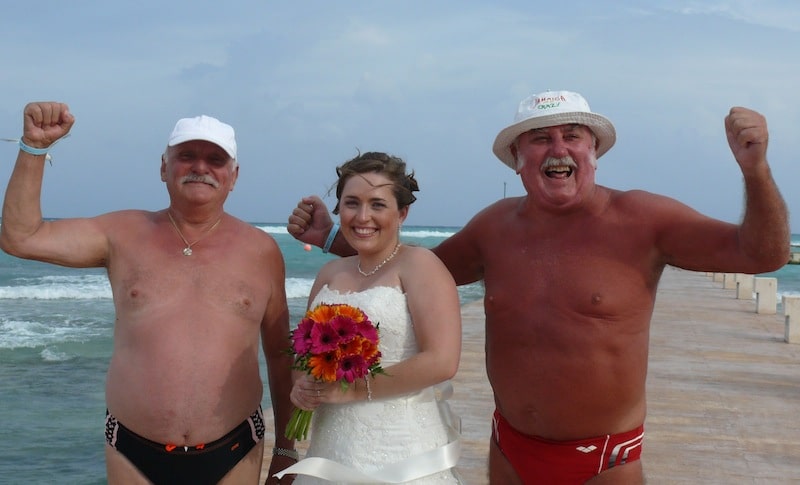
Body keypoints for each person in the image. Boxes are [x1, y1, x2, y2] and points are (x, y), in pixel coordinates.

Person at [285, 90, 790, 484]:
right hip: (510, 451)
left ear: (594, 151)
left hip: (605, 461)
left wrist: (756, 170)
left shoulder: (644, 219)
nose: (559, 148)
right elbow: (412, 274)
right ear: (517, 158)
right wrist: (334, 238)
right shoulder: (494, 228)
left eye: (573, 135)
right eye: (541, 138)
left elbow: (762, 255)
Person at [0, 102, 297, 485]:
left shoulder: (262, 250)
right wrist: (34, 148)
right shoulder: (122, 233)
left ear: (234, 175)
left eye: (215, 159)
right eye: (186, 156)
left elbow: (278, 354)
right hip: (132, 452)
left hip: (235, 448)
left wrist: (286, 450)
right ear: (163, 167)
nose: (201, 168)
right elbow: (20, 236)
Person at [275, 152, 464, 484]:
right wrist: (301, 388)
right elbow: (303, 357)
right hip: (330, 447)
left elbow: (441, 361)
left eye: (378, 204)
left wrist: (350, 391)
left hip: (401, 452)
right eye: (352, 203)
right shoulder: (329, 273)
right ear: (339, 210)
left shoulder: (421, 265)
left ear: (402, 212)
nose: (363, 216)